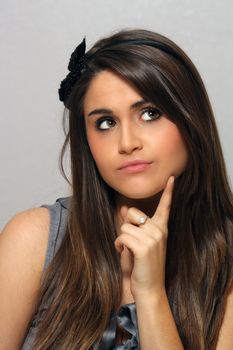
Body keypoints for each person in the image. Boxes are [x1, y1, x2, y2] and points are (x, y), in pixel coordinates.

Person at [0, 28, 233, 350]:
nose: (127, 143)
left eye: (150, 114)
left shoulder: (227, 260)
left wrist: (150, 294)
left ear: (191, 120)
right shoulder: (34, 240)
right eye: (106, 123)